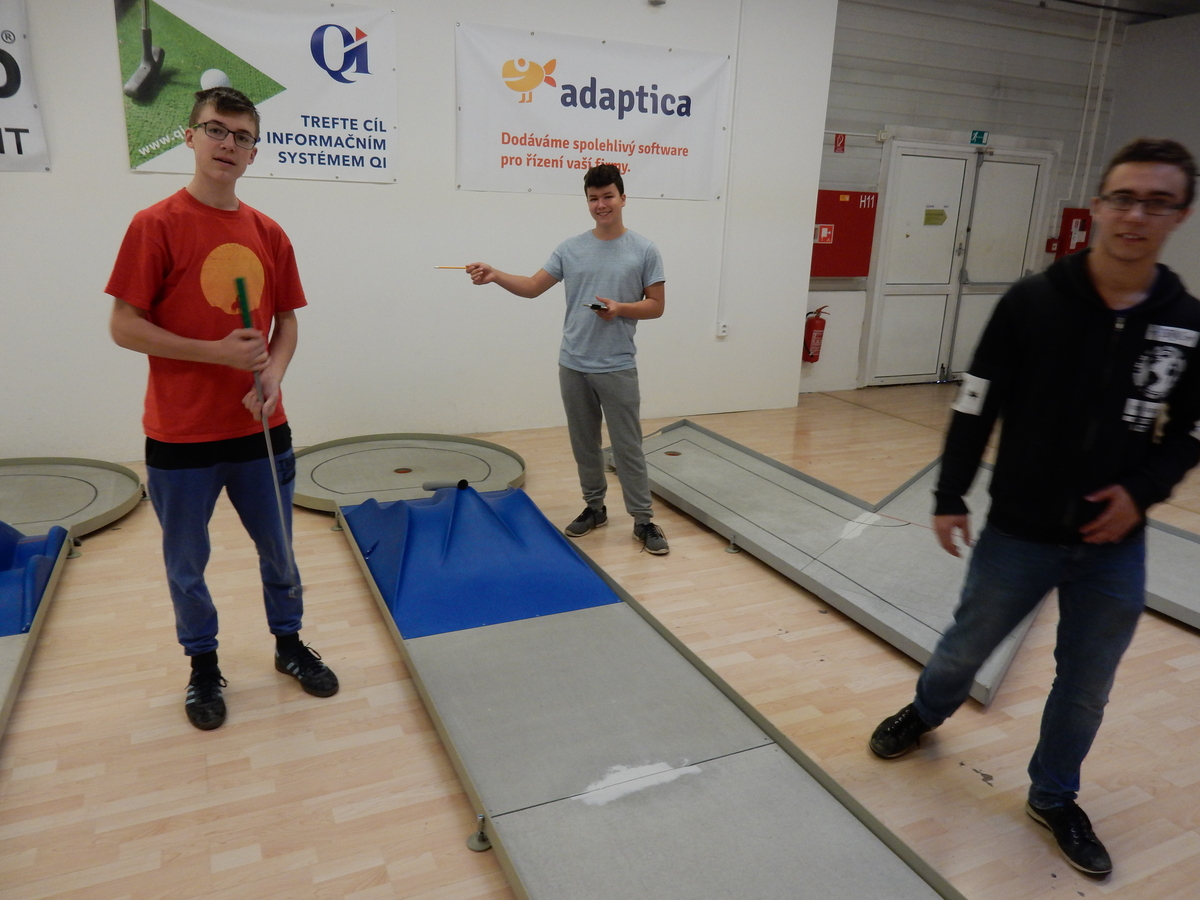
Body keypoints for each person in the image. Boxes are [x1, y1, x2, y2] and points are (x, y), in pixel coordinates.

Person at [868, 137, 1200, 877]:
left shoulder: (1187, 322)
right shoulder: (1033, 303)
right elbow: (975, 401)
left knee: (1086, 686)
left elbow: (1191, 430)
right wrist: (950, 493)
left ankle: (1053, 796)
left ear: (1180, 214)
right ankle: (925, 712)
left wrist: (1142, 492)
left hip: (1114, 544)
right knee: (964, 649)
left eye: (1157, 202)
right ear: (1098, 206)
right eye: (1123, 198)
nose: (1136, 215)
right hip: (1019, 532)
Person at [106, 87, 338, 732]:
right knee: (186, 565)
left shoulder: (269, 233)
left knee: (280, 551)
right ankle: (203, 665)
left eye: (241, 136)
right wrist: (215, 352)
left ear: (253, 151)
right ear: (189, 136)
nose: (227, 145)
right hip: (180, 436)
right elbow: (123, 326)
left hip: (259, 429)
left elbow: (286, 323)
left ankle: (289, 644)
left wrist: (274, 375)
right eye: (215, 130)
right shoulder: (154, 225)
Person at [465, 164, 669, 554]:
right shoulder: (570, 248)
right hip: (573, 364)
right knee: (584, 444)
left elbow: (656, 305)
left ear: (623, 198)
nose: (601, 205)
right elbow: (532, 287)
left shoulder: (644, 250)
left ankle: (643, 520)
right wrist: (495, 274)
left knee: (628, 447)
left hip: (617, 365)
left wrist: (621, 308)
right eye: (593, 199)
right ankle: (595, 508)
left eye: (608, 197)